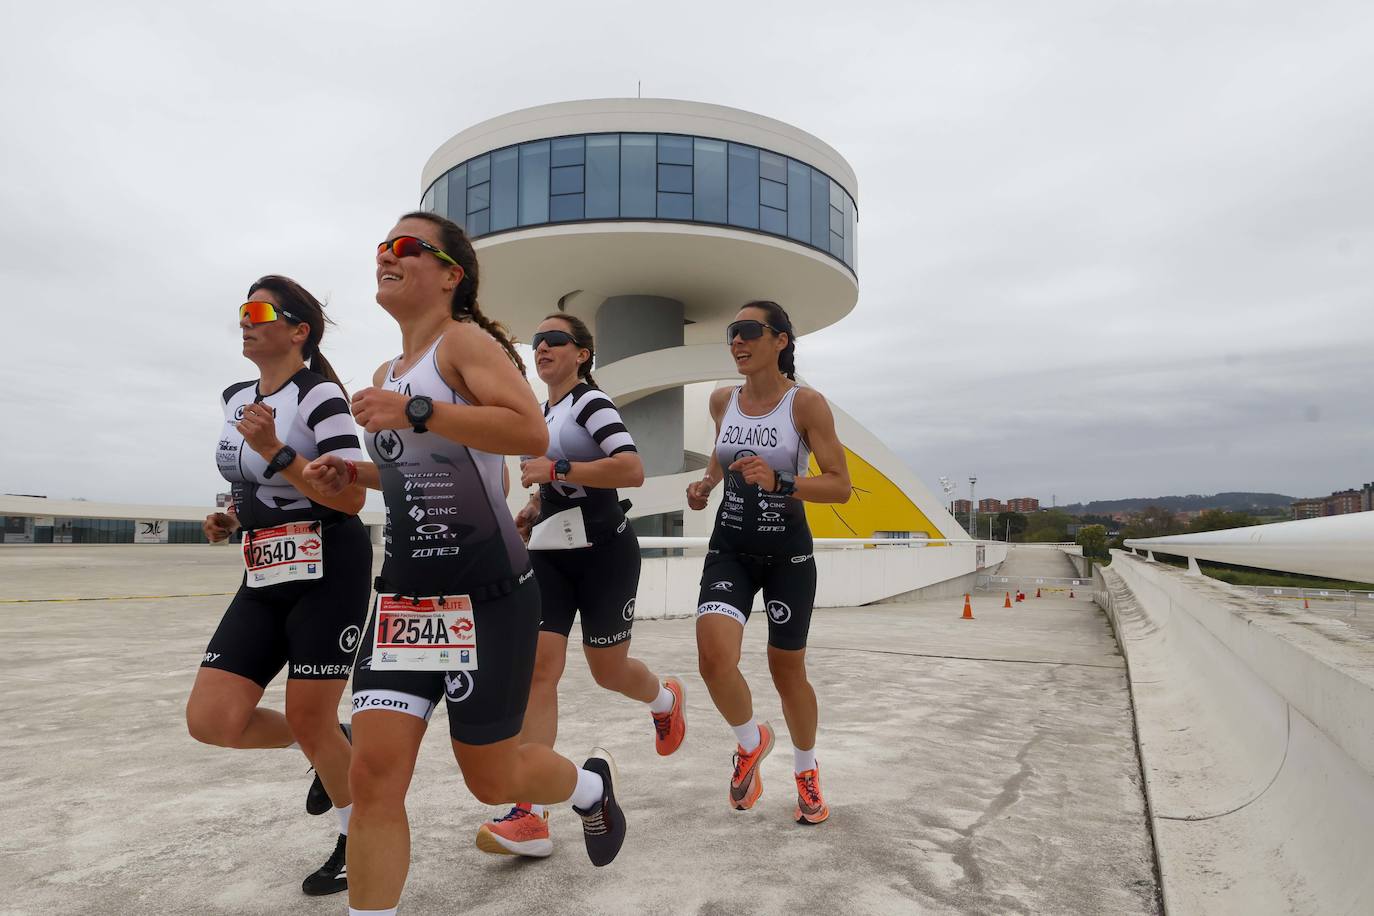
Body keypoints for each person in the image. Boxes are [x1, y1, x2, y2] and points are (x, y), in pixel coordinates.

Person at [304, 212, 626, 916]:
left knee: (492, 778)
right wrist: (353, 474)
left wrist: (416, 410)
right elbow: (421, 472)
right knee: (375, 774)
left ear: (450, 274)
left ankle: (589, 789)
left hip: (486, 599)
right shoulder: (388, 374)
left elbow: (527, 431)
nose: (386, 255)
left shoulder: (463, 344)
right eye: (381, 247)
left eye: (405, 248)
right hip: (405, 604)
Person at [475, 314, 685, 859]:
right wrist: (532, 509)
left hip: (605, 555)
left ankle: (664, 699)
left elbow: (632, 470)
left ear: (583, 354)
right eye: (537, 341)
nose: (542, 347)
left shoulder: (592, 404)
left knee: (607, 670)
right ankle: (530, 813)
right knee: (540, 670)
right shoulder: (540, 412)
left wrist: (558, 468)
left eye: (555, 341)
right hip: (550, 555)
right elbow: (551, 487)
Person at [187, 276, 372, 896]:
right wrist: (232, 518)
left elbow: (348, 498)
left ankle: (358, 838)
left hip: (331, 567)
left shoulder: (321, 398)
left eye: (261, 310)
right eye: (242, 309)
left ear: (299, 331)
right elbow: (254, 487)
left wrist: (274, 449)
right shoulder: (234, 395)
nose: (246, 320)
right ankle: (332, 745)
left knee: (308, 712)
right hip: (265, 567)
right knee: (212, 720)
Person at [685, 301, 851, 825]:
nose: (737, 341)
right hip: (730, 549)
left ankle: (805, 769)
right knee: (713, 659)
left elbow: (841, 487)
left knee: (787, 672)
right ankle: (751, 741)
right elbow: (722, 450)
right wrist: (707, 483)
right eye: (732, 332)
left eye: (749, 331)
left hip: (787, 555)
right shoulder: (721, 401)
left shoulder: (806, 405)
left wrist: (782, 482)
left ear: (780, 340)